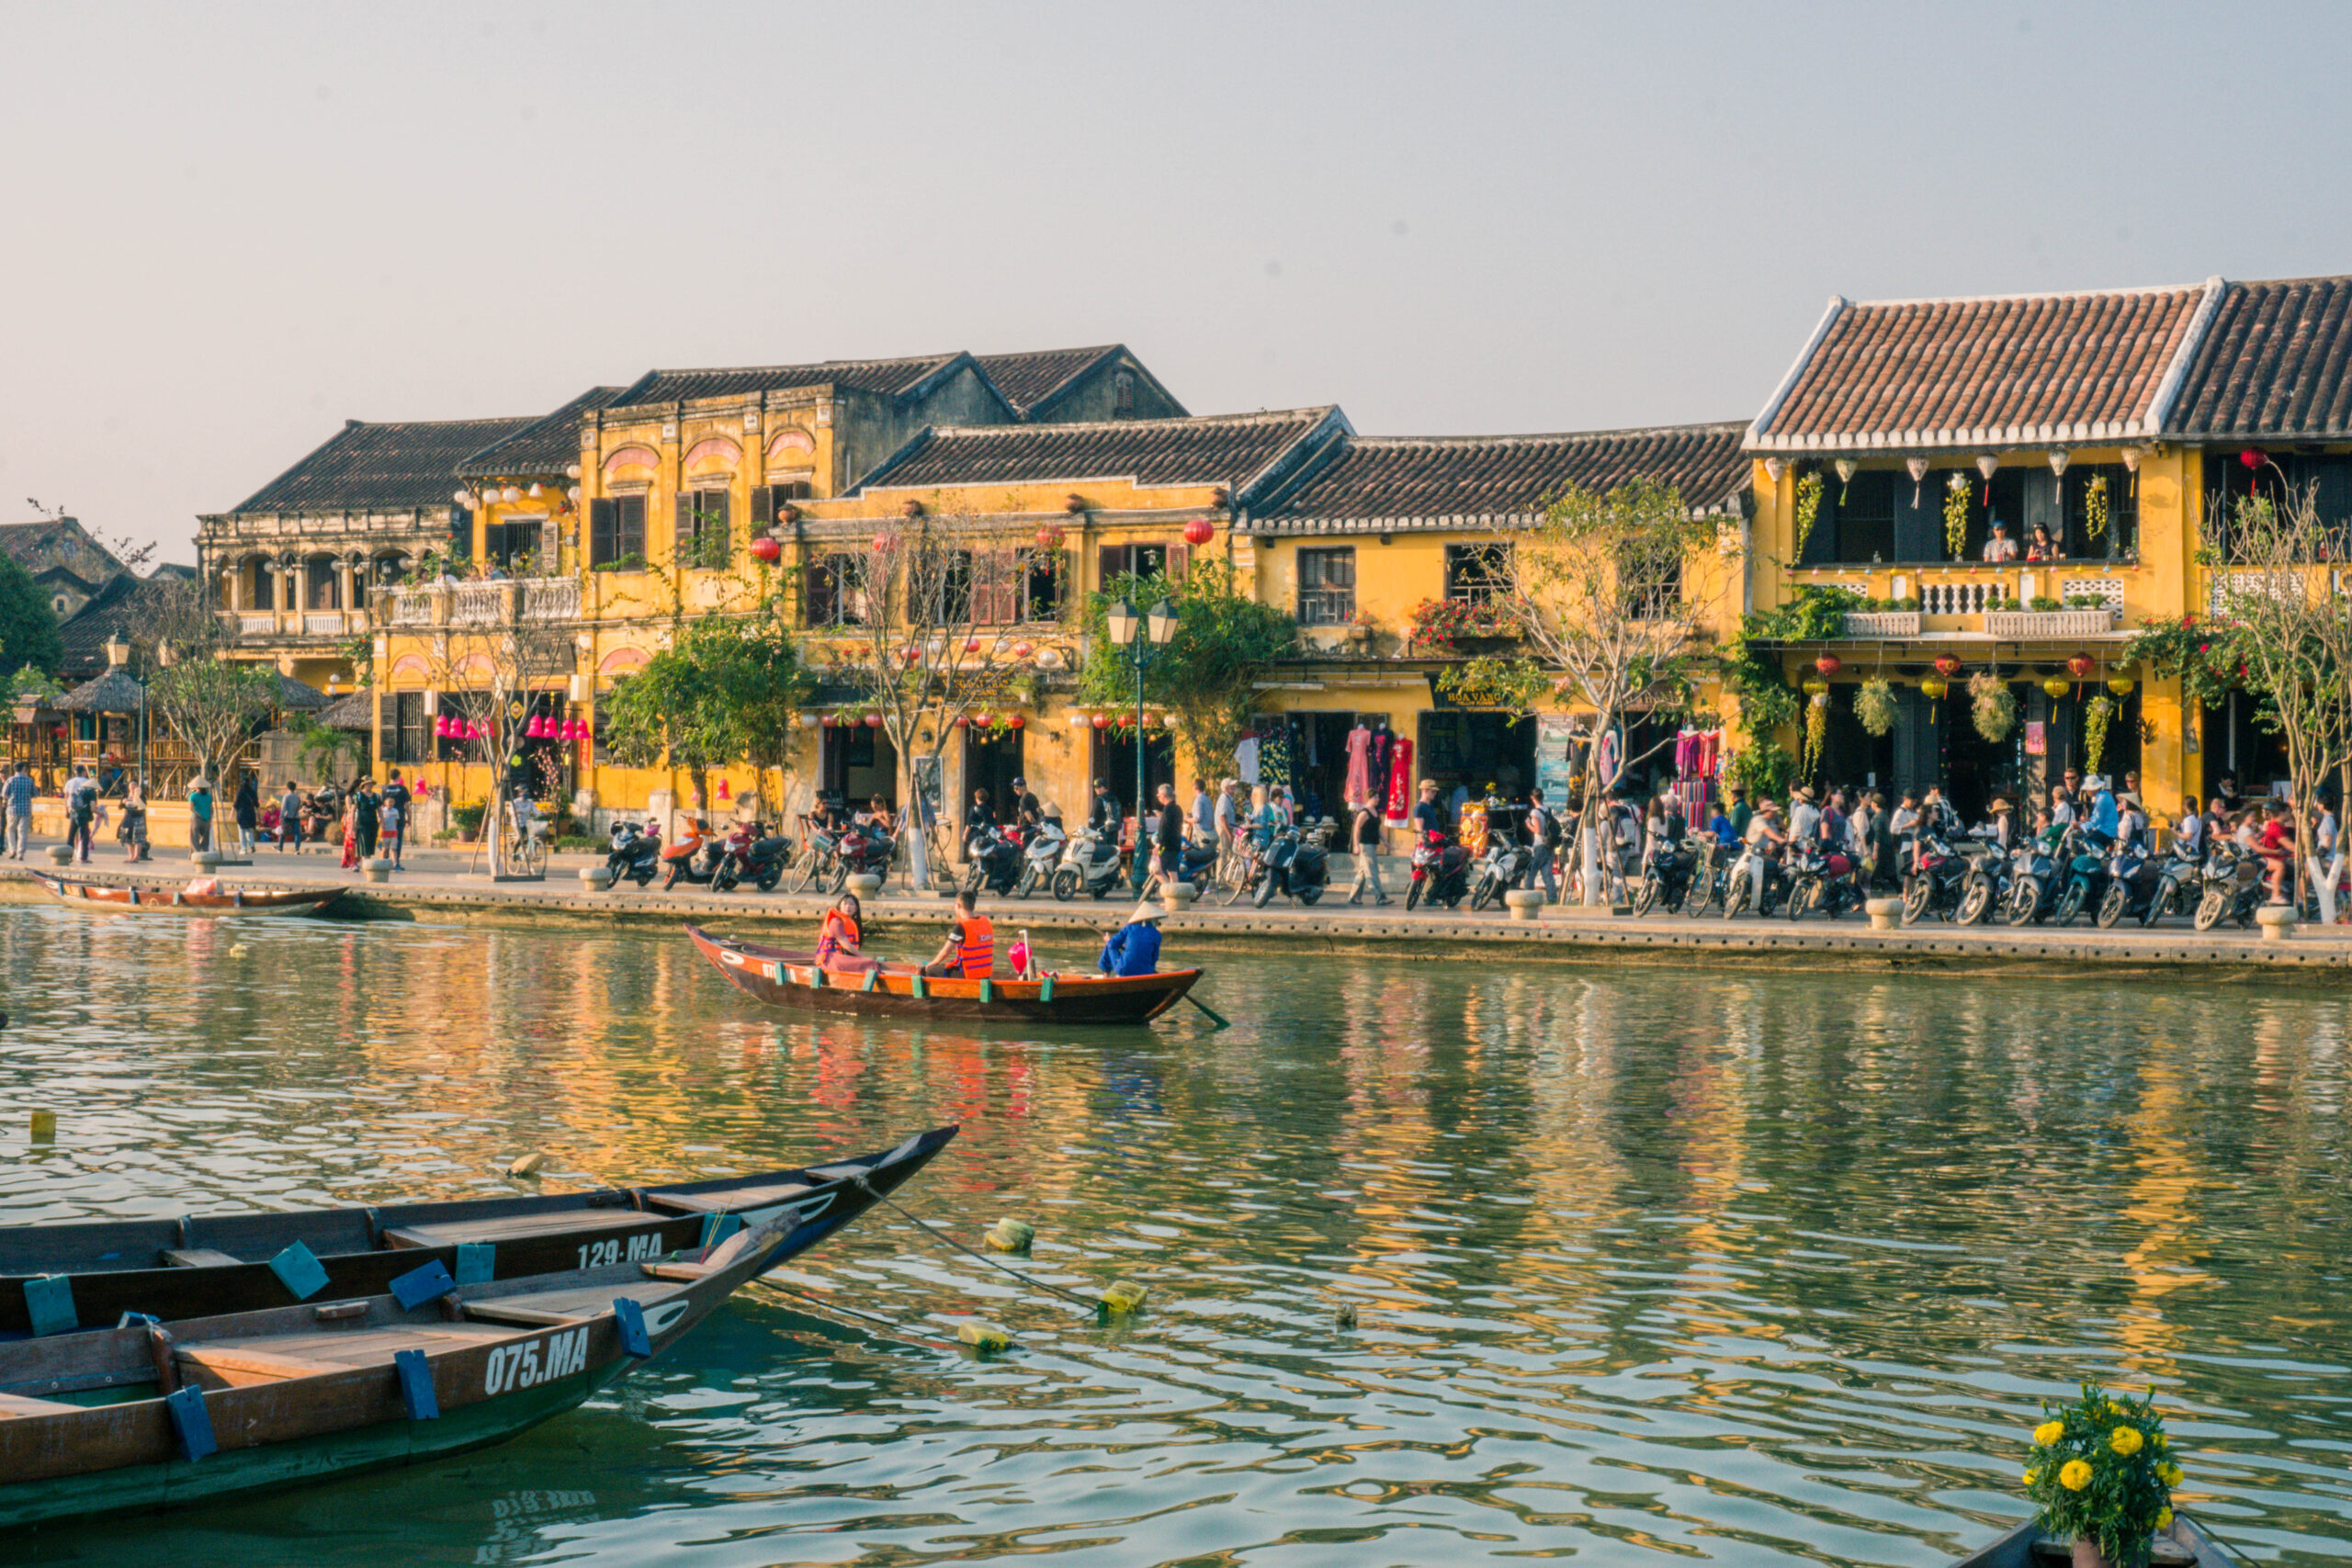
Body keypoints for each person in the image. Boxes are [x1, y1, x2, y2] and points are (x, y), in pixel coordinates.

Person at [922, 888, 995, 978]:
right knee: (945, 966)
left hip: (968, 975)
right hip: (985, 974)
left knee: (931, 970)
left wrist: (933, 963)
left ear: (958, 905)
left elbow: (946, 952)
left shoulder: (961, 926)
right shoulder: (986, 922)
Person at [1346, 794, 1392, 906]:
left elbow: (1378, 829)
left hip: (1373, 844)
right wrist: (1356, 845)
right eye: (1375, 797)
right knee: (1372, 872)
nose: (1378, 799)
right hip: (1365, 846)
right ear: (1369, 798)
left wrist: (1385, 841)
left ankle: (1353, 896)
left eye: (1378, 797)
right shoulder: (1364, 813)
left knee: (1363, 871)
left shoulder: (1375, 812)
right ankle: (1380, 896)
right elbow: (1356, 829)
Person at [1097, 900, 1164, 976]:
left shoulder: (1129, 928)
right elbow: (1154, 958)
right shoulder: (1157, 934)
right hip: (1146, 971)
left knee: (1109, 944)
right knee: (1111, 943)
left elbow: (1112, 944)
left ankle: (1106, 974)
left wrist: (1108, 940)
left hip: (1124, 969)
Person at [815, 892, 865, 971]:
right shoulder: (836, 922)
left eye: (851, 904)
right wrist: (863, 958)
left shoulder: (854, 924)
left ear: (856, 909)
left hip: (844, 959)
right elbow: (846, 945)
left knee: (869, 963)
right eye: (845, 904)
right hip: (830, 960)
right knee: (869, 963)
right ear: (839, 907)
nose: (848, 907)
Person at [2257, 802, 2294, 903]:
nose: (2290, 814)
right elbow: (2289, 845)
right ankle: (2276, 896)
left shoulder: (2281, 826)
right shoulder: (2275, 827)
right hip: (2272, 859)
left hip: (2280, 856)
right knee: (2281, 866)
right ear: (2281, 813)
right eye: (2288, 812)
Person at [1149, 782, 1184, 890]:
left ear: (1163, 795)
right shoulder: (1177, 808)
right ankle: (1175, 898)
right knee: (1173, 872)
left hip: (1166, 846)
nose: (1158, 797)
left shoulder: (1168, 809)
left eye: (1159, 795)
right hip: (1176, 844)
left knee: (1155, 870)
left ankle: (1169, 892)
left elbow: (1165, 829)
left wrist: (1159, 844)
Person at [65, 765, 97, 863]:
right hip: (84, 812)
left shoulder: (70, 782)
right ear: (84, 772)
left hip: (73, 810)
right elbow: (92, 802)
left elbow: (66, 798)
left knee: (71, 835)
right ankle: (83, 857)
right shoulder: (87, 783)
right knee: (84, 835)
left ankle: (67, 856)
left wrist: (66, 810)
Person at [381, 768, 412, 866]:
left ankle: (384, 860)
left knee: (385, 840)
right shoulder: (403, 789)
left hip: (386, 819)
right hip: (399, 818)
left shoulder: (385, 788)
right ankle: (396, 862)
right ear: (398, 777)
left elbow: (381, 805)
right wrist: (409, 819)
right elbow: (407, 806)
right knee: (397, 840)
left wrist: (380, 819)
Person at [3, 762, 31, 860]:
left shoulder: (10, 781)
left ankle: (12, 850)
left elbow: (5, 795)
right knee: (22, 831)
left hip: (12, 809)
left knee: (10, 830)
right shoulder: (29, 781)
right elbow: (35, 793)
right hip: (26, 809)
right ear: (23, 768)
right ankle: (20, 854)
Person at [118, 775, 149, 862]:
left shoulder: (140, 795)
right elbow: (119, 807)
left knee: (138, 839)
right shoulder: (126, 795)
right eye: (131, 784)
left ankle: (136, 857)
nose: (133, 786)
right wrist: (123, 802)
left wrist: (137, 797)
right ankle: (131, 856)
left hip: (138, 818)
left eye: (135, 784)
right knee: (129, 839)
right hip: (128, 818)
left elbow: (144, 806)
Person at [353, 777, 381, 861]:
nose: (370, 785)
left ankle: (368, 862)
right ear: (364, 785)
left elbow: (379, 810)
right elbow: (353, 810)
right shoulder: (358, 795)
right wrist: (352, 825)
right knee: (363, 844)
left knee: (370, 844)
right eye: (368, 784)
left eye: (371, 784)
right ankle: (366, 863)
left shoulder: (376, 796)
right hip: (362, 822)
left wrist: (382, 822)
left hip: (373, 822)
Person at [279, 780, 305, 852]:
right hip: (296, 817)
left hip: (287, 817)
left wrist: (281, 816)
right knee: (297, 833)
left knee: (283, 832)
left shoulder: (286, 796)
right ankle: (297, 849)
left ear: (287, 788)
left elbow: (284, 808)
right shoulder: (297, 797)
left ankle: (280, 848)